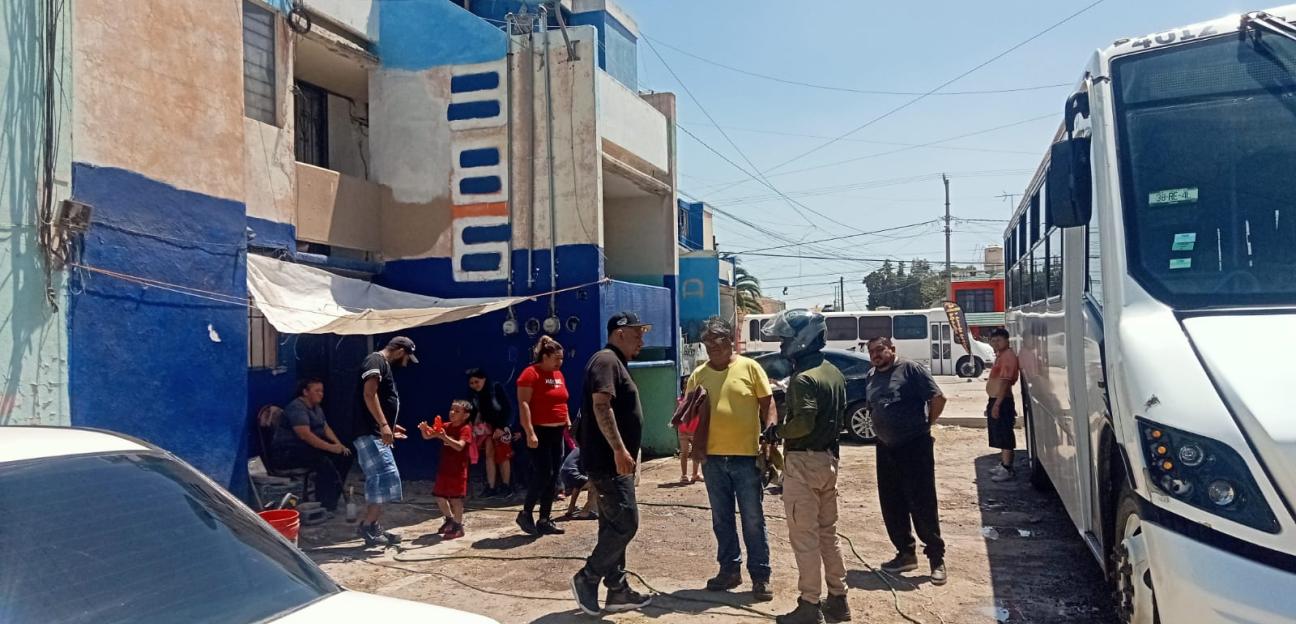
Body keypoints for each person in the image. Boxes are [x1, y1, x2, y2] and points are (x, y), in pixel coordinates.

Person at [762, 310, 850, 624]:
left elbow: (804, 423)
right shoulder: (833, 372)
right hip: (828, 460)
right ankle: (838, 599)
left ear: (802, 339)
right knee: (828, 534)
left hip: (804, 462)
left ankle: (809, 605)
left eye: (785, 338)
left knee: (805, 538)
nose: (782, 344)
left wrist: (776, 432)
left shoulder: (803, 378)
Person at [686, 317, 776, 603]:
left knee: (753, 519)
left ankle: (760, 576)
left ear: (730, 340)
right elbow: (688, 414)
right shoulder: (698, 375)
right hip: (712, 459)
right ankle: (729, 571)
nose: (712, 346)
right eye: (707, 342)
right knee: (721, 518)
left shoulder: (750, 367)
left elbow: (768, 404)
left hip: (746, 458)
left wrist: (770, 434)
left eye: (717, 340)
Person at [569, 312, 653, 616]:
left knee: (613, 525)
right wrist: (619, 449)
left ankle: (617, 589)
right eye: (637, 334)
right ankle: (587, 577)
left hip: (614, 462)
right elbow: (601, 405)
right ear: (620, 333)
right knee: (626, 523)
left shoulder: (615, 362)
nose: (641, 340)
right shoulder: (606, 361)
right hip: (608, 462)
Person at [864, 336, 948, 586]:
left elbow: (938, 398)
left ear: (892, 349)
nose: (875, 355)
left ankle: (936, 559)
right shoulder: (871, 376)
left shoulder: (910, 369)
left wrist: (926, 425)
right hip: (885, 447)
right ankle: (905, 554)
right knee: (892, 503)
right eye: (871, 351)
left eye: (880, 350)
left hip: (914, 446)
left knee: (922, 502)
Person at [352, 336, 416, 547]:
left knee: (383, 479)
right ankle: (368, 526)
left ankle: (372, 525)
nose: (405, 363)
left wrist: (390, 425)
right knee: (383, 477)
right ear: (400, 351)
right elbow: (369, 394)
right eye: (406, 358)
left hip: (375, 432)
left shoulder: (381, 364)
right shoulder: (375, 361)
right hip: (370, 433)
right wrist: (383, 425)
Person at [515, 336, 571, 537]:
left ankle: (545, 519)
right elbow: (524, 404)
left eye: (561, 359)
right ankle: (526, 513)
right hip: (539, 431)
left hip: (557, 431)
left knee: (554, 475)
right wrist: (529, 431)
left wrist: (567, 419)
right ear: (545, 357)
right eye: (556, 359)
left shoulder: (558, 374)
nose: (559, 363)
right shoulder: (530, 373)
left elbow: (562, 399)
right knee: (543, 473)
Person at [270, 379, 353, 512]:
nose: (321, 394)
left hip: (306, 449)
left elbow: (325, 428)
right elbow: (305, 435)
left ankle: (331, 498)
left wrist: (338, 445)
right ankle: (324, 503)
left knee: (344, 456)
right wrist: (330, 448)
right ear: (305, 392)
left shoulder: (317, 408)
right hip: (288, 452)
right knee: (324, 462)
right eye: (317, 391)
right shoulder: (297, 408)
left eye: (322, 391)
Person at [420, 400, 474, 540]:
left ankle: (458, 526)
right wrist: (424, 429)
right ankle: (449, 519)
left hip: (458, 471)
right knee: (439, 497)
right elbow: (428, 436)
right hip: (444, 469)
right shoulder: (445, 426)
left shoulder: (465, 429)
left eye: (457, 411)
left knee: (456, 500)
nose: (452, 413)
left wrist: (444, 437)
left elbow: (459, 446)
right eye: (451, 409)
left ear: (466, 415)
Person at [467, 368, 514, 497]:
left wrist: (501, 427)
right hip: (487, 429)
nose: (474, 385)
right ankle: (491, 487)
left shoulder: (495, 388)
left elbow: (508, 409)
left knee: (503, 456)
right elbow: (475, 412)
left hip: (501, 427)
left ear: (484, 379)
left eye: (477, 381)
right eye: (471, 383)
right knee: (489, 455)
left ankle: (506, 486)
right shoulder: (475, 395)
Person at [984, 329, 1021, 482]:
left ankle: (1007, 468)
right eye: (993, 341)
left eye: (999, 340)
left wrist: (997, 404)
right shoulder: (1000, 355)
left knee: (1005, 434)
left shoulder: (1008, 356)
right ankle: (1003, 463)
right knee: (998, 433)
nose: (995, 343)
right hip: (996, 399)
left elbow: (1005, 382)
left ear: (1006, 340)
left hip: (1003, 400)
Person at [559, 446, 598, 520]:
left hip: (564, 475)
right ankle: (586, 512)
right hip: (572, 474)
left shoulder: (579, 448)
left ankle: (571, 508)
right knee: (596, 484)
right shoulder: (589, 449)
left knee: (579, 485)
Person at [675, 397, 703, 484]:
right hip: (683, 431)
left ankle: (695, 474)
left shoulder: (699, 400)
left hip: (695, 431)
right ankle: (684, 476)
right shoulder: (680, 401)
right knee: (684, 452)